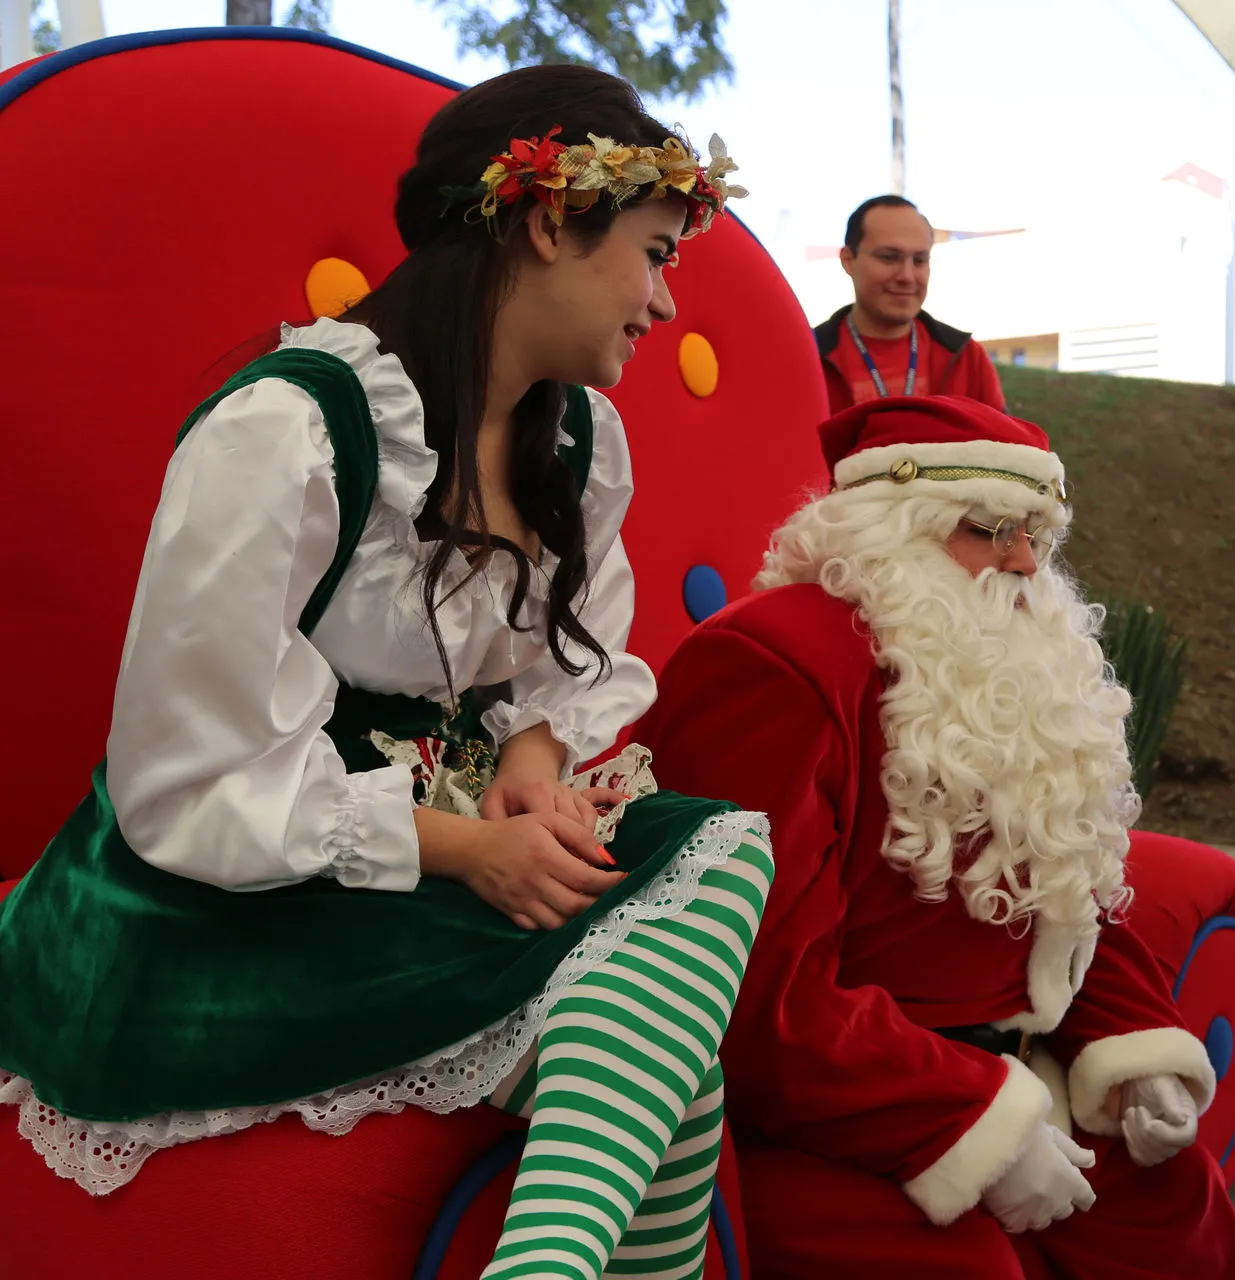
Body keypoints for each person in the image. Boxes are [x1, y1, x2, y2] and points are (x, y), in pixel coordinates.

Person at [0, 65, 768, 1280]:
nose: (665, 304)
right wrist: (468, 848)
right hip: (242, 876)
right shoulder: (290, 429)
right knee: (683, 1040)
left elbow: (568, 664)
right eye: (656, 253)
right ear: (547, 218)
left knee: (718, 874)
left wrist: (528, 758)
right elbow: (185, 778)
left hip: (445, 809)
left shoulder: (577, 437)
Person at [636, 394, 1235, 1277]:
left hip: (1013, 1072)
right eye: (988, 527)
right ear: (888, 531)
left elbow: (1070, 890)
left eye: (1037, 531)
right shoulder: (777, 663)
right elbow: (758, 990)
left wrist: (1134, 1052)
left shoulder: (999, 667)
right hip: (828, 1115)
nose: (1024, 561)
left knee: (1174, 1210)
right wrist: (970, 1124)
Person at [814, 195, 1007, 413]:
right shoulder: (809, 358)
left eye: (919, 260)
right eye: (889, 257)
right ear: (848, 260)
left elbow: (1009, 444)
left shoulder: (967, 358)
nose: (907, 275)